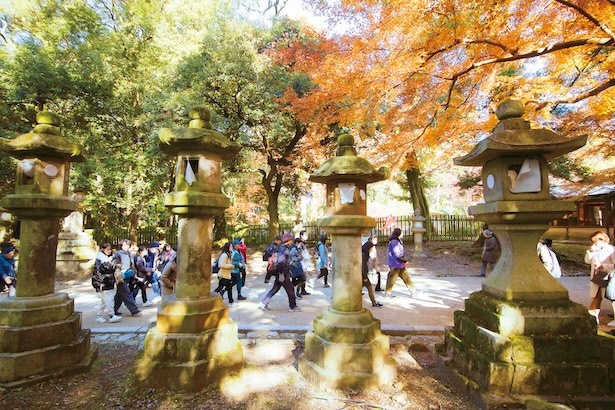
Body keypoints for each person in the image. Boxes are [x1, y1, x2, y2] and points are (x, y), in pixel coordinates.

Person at [259, 233, 301, 312]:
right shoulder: (283, 249)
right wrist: (282, 273)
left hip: (281, 272)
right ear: (288, 241)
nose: (292, 242)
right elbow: (281, 262)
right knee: (290, 289)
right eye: (291, 240)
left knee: (275, 288)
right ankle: (293, 306)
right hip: (283, 273)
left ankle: (263, 303)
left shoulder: (282, 248)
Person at [585, 231, 615, 326]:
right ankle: (593, 317)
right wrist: (591, 251)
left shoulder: (611, 250)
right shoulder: (596, 249)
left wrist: (603, 266)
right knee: (596, 297)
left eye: (596, 240)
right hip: (597, 278)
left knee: (612, 298)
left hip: (609, 277)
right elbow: (587, 261)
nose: (594, 242)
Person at [384, 228, 418, 297]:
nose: (403, 234)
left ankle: (413, 290)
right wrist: (403, 260)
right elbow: (397, 253)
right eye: (402, 233)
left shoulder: (397, 241)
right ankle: (387, 293)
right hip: (395, 262)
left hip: (399, 262)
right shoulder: (394, 241)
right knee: (392, 278)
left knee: (406, 276)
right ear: (399, 234)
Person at [111, 239, 141, 317]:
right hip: (119, 275)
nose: (126, 246)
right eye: (124, 245)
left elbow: (132, 265)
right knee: (126, 292)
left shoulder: (129, 254)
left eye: (127, 245)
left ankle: (114, 309)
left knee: (120, 294)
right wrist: (118, 265)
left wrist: (134, 275)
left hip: (127, 274)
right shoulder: (118, 254)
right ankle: (134, 311)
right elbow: (113, 262)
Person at [92, 243, 121, 323]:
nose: (109, 251)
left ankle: (99, 316)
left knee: (104, 301)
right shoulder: (101, 259)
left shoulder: (106, 258)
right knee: (108, 299)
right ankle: (112, 315)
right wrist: (112, 264)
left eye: (110, 249)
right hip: (103, 282)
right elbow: (102, 270)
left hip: (108, 281)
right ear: (103, 249)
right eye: (107, 249)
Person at [362, 236, 382, 307]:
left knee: (369, 287)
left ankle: (374, 302)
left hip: (362, 275)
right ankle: (374, 302)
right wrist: (364, 276)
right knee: (369, 287)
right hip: (362, 275)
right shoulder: (364, 255)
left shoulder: (364, 254)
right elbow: (363, 267)